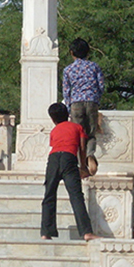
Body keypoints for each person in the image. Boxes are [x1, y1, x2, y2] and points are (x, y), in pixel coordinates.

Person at [40, 103, 98, 242]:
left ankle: (46, 232)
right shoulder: (77, 127)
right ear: (68, 114)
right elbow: (82, 148)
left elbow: (55, 146)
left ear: (53, 119)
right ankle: (86, 232)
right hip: (69, 159)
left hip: (53, 159)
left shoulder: (54, 131)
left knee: (49, 195)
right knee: (76, 196)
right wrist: (83, 167)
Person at [62, 38, 104, 175]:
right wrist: (95, 99)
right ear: (88, 52)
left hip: (76, 103)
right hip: (91, 102)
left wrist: (69, 108)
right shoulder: (94, 66)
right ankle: (90, 155)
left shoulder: (68, 69)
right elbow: (101, 86)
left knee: (78, 135)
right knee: (90, 134)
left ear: (72, 53)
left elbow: (66, 91)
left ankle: (82, 166)